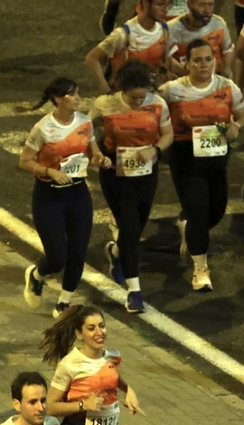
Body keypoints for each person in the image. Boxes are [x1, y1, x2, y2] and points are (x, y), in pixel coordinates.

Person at [159, 38, 244, 290]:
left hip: (217, 158)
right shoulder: (170, 91)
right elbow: (153, 113)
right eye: (197, 60)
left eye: (208, 59)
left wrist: (236, 126)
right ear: (186, 63)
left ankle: (190, 229)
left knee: (216, 211)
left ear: (215, 60)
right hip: (184, 156)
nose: (203, 65)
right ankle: (200, 269)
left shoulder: (227, 87)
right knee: (198, 210)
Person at [20, 78, 104, 320]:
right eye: (72, 94)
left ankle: (65, 301)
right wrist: (50, 171)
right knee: (57, 258)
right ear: (58, 99)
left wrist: (99, 158)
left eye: (78, 93)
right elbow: (24, 161)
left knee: (78, 250)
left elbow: (91, 150)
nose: (78, 98)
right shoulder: (43, 128)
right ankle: (37, 275)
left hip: (78, 192)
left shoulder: (85, 121)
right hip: (49, 196)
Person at [92, 61, 173, 312]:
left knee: (135, 229)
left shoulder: (158, 104)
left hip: (146, 173)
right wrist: (97, 150)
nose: (138, 101)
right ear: (122, 91)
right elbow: (86, 131)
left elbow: (168, 134)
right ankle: (134, 290)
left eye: (142, 96)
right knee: (128, 225)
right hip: (115, 174)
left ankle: (116, 252)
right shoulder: (104, 104)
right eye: (133, 97)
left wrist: (155, 149)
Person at [42, 305, 142, 425]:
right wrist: (82, 405)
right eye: (91, 328)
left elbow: (112, 378)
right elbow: (50, 406)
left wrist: (129, 390)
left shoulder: (111, 357)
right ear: (79, 334)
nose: (99, 332)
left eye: (102, 326)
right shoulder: (69, 365)